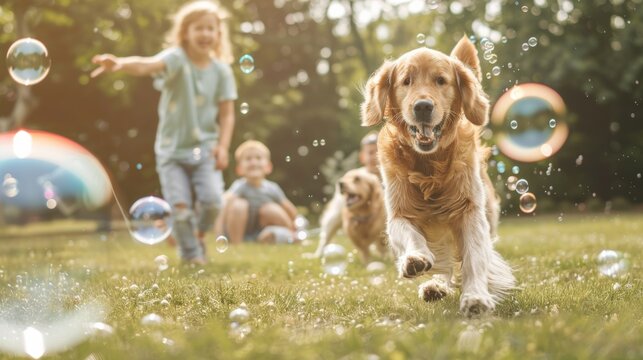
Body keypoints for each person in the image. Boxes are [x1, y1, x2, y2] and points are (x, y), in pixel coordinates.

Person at [91, 1, 237, 264]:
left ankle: (197, 235)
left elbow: (227, 114)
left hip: (205, 148)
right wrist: (120, 64)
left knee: (214, 201)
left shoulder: (222, 71)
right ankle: (192, 255)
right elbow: (146, 65)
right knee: (179, 208)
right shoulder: (176, 59)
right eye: (198, 28)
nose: (205, 34)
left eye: (210, 29)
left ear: (218, 34)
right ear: (185, 32)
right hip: (171, 151)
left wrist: (223, 146)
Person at [309, 130, 381, 257]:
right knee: (336, 212)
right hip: (356, 218)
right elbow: (341, 205)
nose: (375, 156)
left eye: (379, 152)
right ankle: (321, 248)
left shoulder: (394, 178)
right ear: (362, 157)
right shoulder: (352, 176)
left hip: (379, 220)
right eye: (370, 152)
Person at [221, 140, 299, 244]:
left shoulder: (272, 188)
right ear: (239, 169)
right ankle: (237, 244)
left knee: (271, 209)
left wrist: (296, 225)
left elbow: (290, 209)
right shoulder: (240, 186)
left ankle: (291, 236)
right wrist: (219, 233)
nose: (253, 162)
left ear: (268, 167)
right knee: (238, 205)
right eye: (248, 159)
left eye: (258, 158)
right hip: (240, 231)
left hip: (262, 231)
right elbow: (224, 204)